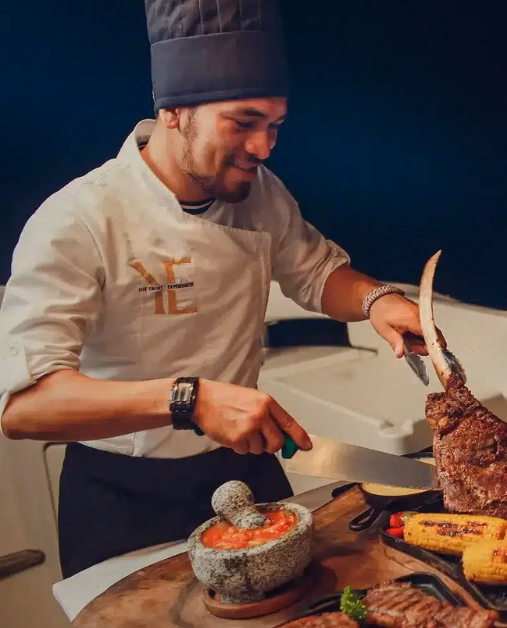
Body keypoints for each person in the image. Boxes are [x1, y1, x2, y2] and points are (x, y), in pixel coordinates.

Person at [0, 0, 440, 578]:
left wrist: (374, 299)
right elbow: (25, 407)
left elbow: (314, 271)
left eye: (275, 126)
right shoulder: (78, 220)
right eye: (244, 122)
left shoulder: (261, 193)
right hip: (125, 501)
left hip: (247, 476)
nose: (263, 148)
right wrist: (188, 400)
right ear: (174, 111)